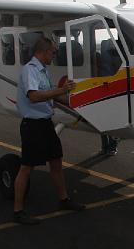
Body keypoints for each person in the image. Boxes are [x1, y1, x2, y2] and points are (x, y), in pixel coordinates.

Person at [13, 36, 85, 225]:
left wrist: (78, 104)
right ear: (43, 52)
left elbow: (50, 95)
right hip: (33, 126)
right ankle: (18, 211)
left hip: (45, 124)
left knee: (56, 162)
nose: (54, 56)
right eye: (53, 52)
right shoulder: (31, 70)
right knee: (26, 167)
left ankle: (63, 200)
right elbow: (34, 96)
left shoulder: (43, 71)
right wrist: (62, 90)